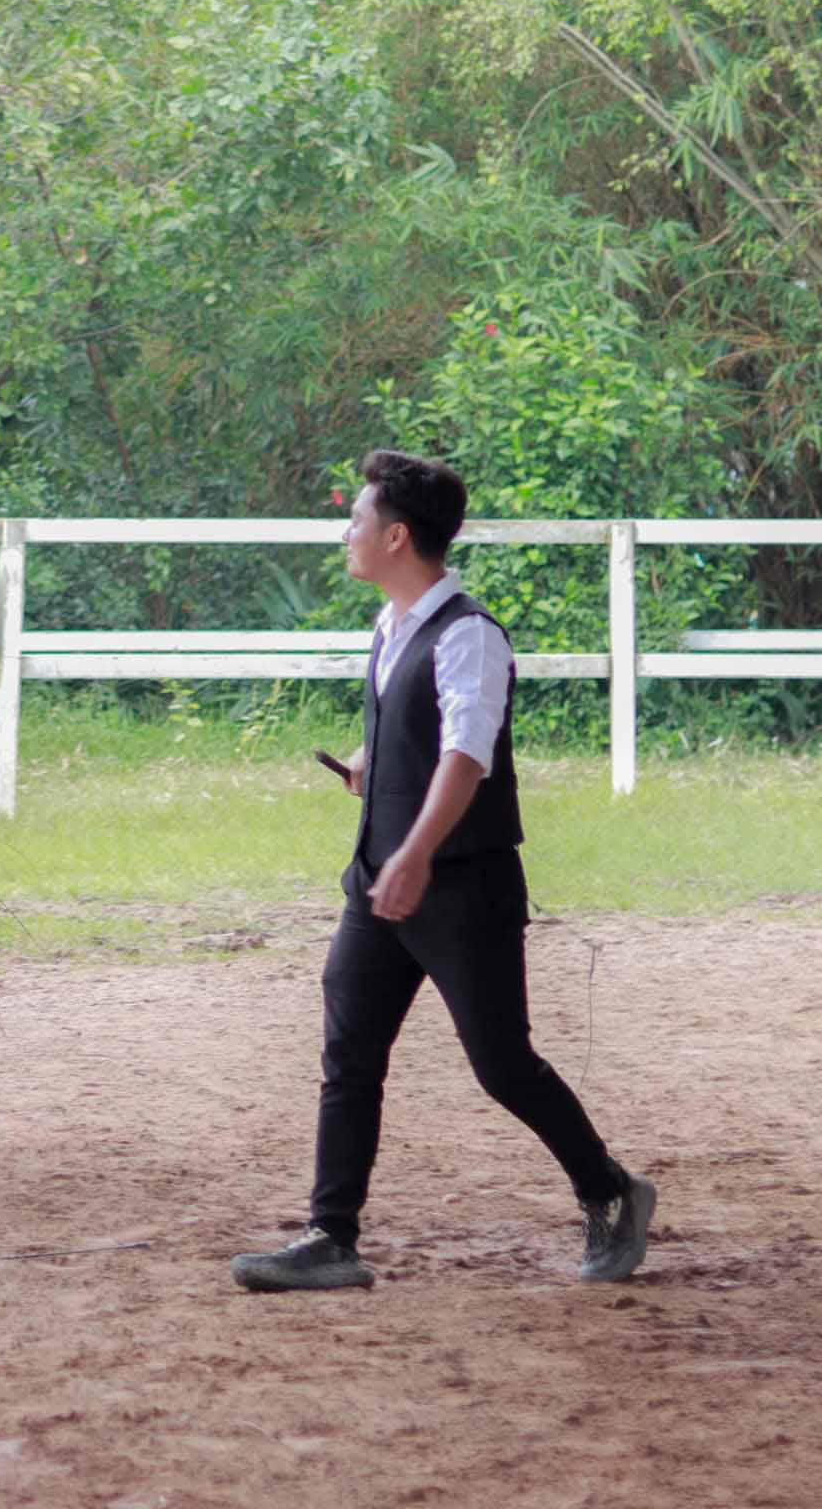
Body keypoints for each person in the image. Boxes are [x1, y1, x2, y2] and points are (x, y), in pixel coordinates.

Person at [231, 449, 656, 1292]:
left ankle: (610, 1189)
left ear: (395, 535)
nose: (345, 532)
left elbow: (468, 757)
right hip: (381, 881)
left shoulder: (468, 635)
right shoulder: (393, 624)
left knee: (503, 1066)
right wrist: (373, 766)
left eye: (356, 520)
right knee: (349, 1055)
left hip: (459, 887)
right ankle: (331, 1236)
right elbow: (421, 734)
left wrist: (416, 855)